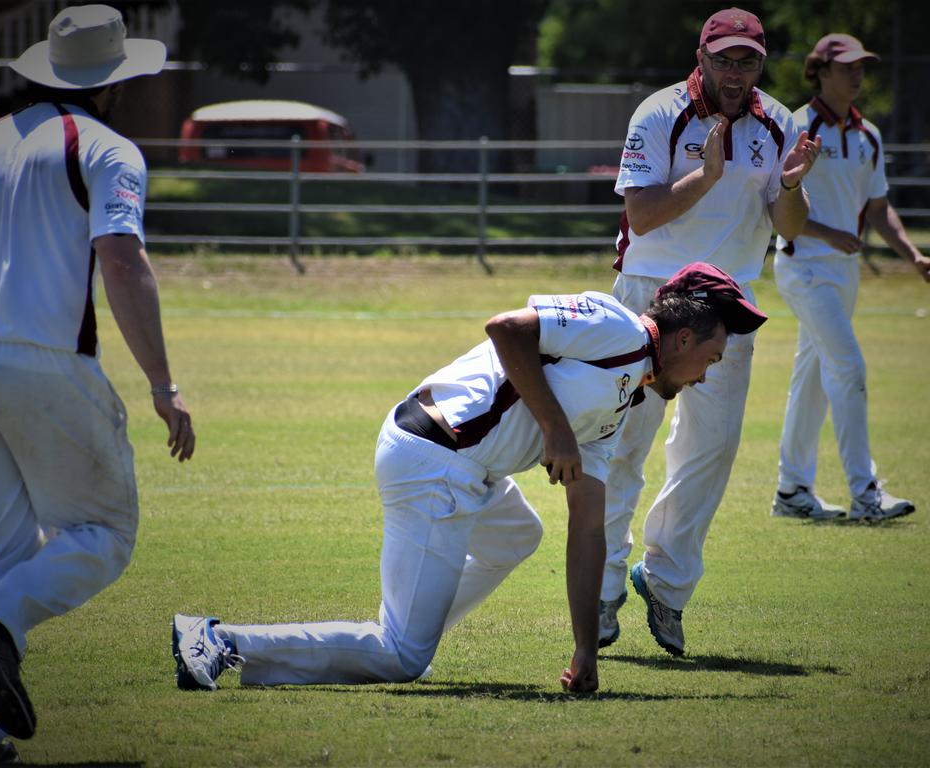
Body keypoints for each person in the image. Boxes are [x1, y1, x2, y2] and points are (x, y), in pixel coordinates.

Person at [172, 263, 764, 695]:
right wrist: (555, 431)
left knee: (517, 536)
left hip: (461, 466)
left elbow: (588, 528)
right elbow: (506, 327)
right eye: (711, 359)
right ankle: (220, 641)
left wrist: (586, 648)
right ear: (684, 338)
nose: (705, 377)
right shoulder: (619, 329)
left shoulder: (624, 397)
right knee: (402, 659)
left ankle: (407, 634)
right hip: (435, 460)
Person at [0, 6, 195, 765]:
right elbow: (121, 260)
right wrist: (163, 384)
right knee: (103, 534)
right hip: (40, 357)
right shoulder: (108, 148)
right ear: (114, 83)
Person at [601, 7, 822, 657]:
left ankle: (665, 586)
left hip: (726, 304)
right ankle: (605, 583)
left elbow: (790, 228)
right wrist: (707, 176)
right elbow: (639, 216)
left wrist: (791, 186)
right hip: (650, 298)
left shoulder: (781, 122)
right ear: (701, 56)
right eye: (723, 58)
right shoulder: (659, 113)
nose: (735, 71)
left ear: (760, 63)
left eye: (747, 60)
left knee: (711, 453)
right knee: (622, 447)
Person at [771, 33, 926, 524]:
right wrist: (826, 232)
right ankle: (866, 494)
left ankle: (792, 490)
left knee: (812, 382)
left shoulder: (869, 136)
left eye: (863, 66)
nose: (857, 75)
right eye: (846, 67)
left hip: (844, 274)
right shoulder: (796, 125)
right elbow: (776, 203)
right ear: (819, 70)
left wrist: (913, 255)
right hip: (804, 266)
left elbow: (879, 209)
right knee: (849, 369)